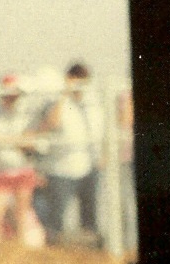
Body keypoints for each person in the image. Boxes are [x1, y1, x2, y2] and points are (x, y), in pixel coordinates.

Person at [35, 62, 103, 245]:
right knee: (56, 218)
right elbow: (52, 123)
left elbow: (101, 131)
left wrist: (102, 156)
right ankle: (53, 253)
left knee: (90, 216)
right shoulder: (58, 103)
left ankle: (92, 254)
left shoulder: (92, 103)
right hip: (62, 170)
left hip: (89, 167)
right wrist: (64, 93)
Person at [0, 73, 44, 247]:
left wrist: (8, 140)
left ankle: (20, 253)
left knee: (21, 214)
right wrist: (15, 140)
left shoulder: (26, 112)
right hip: (0, 170)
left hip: (22, 169)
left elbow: (30, 141)